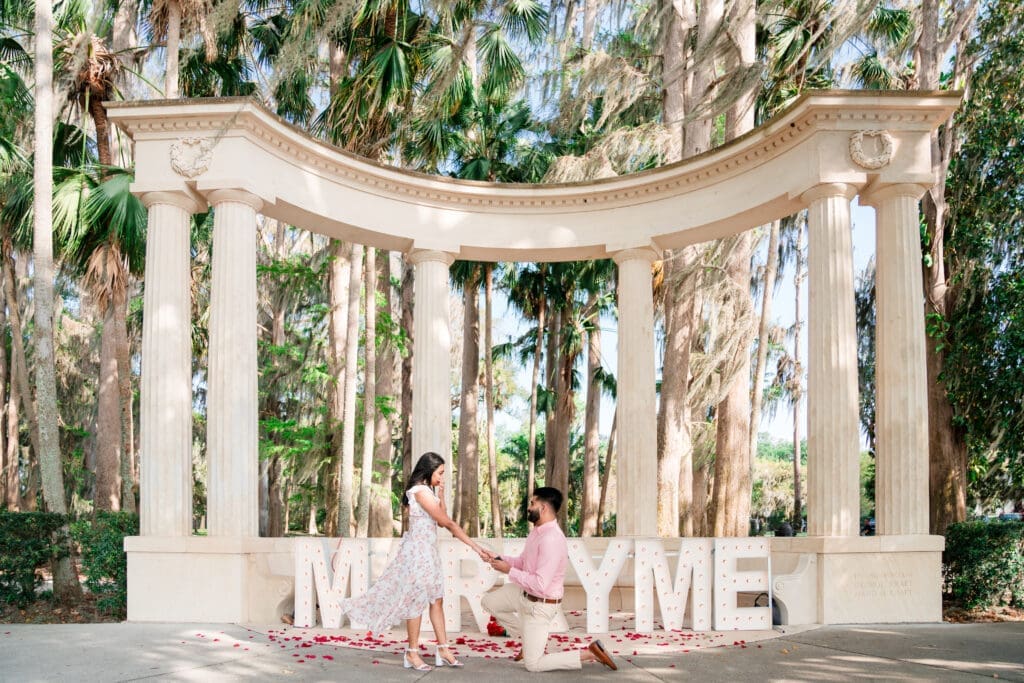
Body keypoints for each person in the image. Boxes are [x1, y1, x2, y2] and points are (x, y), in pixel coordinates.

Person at [340, 452, 491, 671]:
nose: (442, 477)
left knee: (436, 600)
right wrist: (477, 547)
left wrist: (441, 495)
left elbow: (440, 520)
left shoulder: (428, 492)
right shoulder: (419, 491)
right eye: (439, 473)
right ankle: (412, 653)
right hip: (418, 554)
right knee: (416, 602)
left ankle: (443, 649)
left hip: (429, 553)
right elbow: (447, 523)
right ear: (428, 470)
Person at [481, 487, 617, 673]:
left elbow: (540, 584)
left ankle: (589, 653)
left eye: (532, 503)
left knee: (533, 665)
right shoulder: (537, 533)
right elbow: (523, 562)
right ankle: (527, 641)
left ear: (543, 508)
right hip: (523, 595)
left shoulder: (551, 539)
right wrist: (498, 558)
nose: (529, 507)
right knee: (488, 601)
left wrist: (509, 571)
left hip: (540, 606)